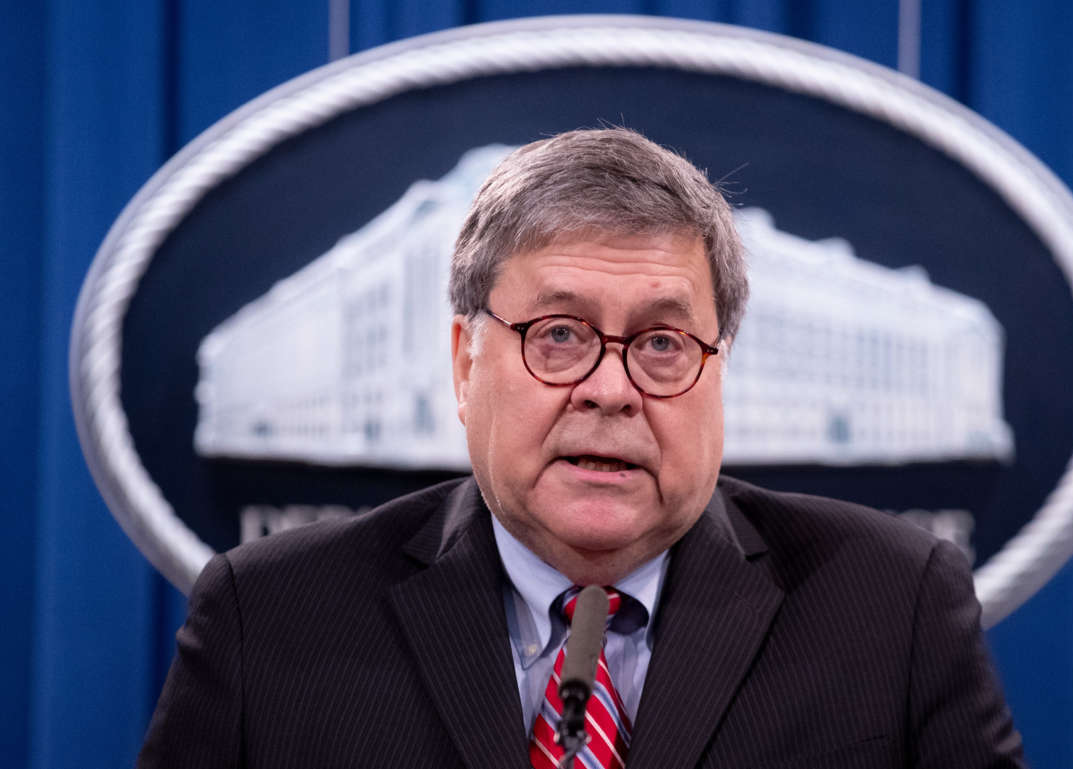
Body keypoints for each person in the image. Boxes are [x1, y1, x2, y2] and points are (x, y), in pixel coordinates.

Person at [138, 128, 1024, 768]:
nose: (610, 387)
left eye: (664, 344)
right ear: (464, 362)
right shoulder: (270, 618)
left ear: (720, 372)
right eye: (558, 335)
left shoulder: (893, 605)